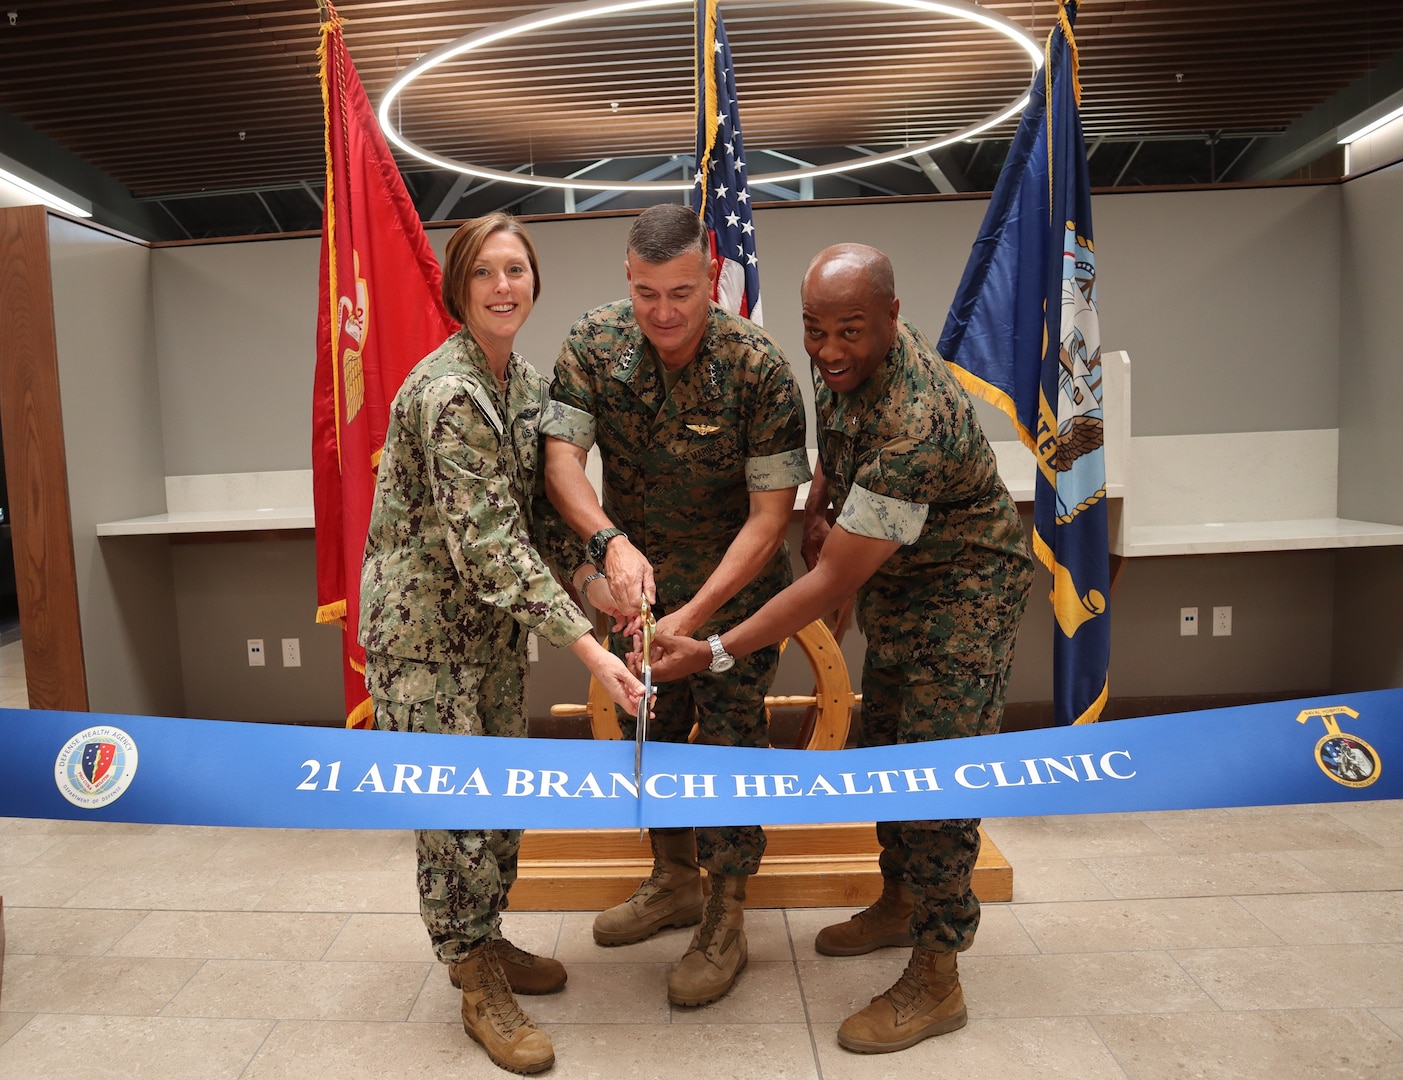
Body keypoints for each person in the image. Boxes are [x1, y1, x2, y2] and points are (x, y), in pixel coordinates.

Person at [648, 242, 1034, 1053]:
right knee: (887, 745)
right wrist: (820, 507)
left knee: (933, 776)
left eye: (849, 330)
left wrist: (713, 649)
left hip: (965, 592)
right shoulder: (849, 369)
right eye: (813, 330)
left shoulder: (917, 421)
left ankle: (938, 976)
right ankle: (899, 903)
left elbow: (824, 588)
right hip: (903, 576)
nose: (827, 350)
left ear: (892, 317)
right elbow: (836, 462)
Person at [360, 213, 645, 1075]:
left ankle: (486, 938)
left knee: (501, 801)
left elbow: (542, 527)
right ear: (459, 286)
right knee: (453, 817)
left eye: (516, 270)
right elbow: (487, 545)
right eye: (484, 272)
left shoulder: (522, 384)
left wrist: (606, 589)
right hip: (421, 643)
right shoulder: (448, 393)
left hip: (486, 636)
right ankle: (473, 974)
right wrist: (591, 653)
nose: (502, 286)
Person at [541, 203, 810, 1007]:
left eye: (682, 294)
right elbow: (561, 466)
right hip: (634, 592)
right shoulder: (592, 342)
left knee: (728, 751)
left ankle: (727, 912)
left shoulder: (756, 364)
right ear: (628, 274)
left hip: (731, 598)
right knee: (645, 733)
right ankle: (672, 879)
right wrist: (609, 546)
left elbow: (770, 520)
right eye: (648, 293)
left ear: (712, 272)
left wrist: (690, 621)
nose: (663, 312)